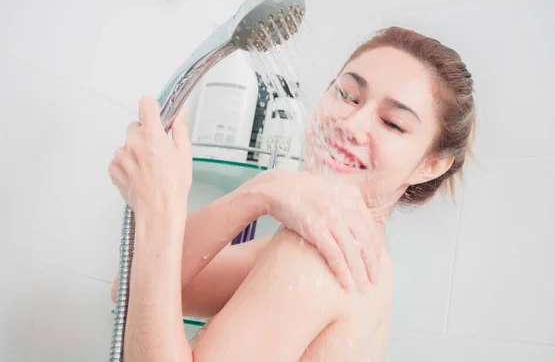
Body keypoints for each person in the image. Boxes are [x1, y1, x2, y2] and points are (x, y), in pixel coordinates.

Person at [108, 26, 476, 361]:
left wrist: (161, 209)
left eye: (392, 123)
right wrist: (259, 192)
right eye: (347, 95)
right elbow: (130, 292)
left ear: (432, 164)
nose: (351, 125)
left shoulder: (317, 261)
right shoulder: (345, 252)